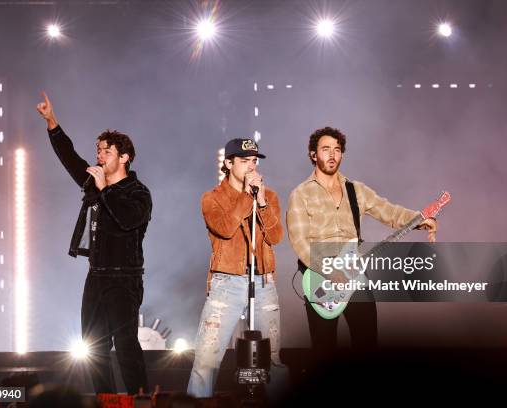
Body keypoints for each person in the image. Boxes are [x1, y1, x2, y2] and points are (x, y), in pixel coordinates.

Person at [286, 126, 437, 359]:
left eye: (337, 149)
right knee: (324, 352)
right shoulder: (301, 194)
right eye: (325, 149)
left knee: (367, 345)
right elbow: (299, 241)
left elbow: (389, 211)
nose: (332, 155)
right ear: (313, 155)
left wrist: (419, 219)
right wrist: (328, 270)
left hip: (355, 276)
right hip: (320, 279)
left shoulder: (356, 190)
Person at [36, 92, 151, 395]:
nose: (100, 156)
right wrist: (52, 122)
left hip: (124, 278)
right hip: (96, 275)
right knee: (94, 346)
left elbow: (128, 220)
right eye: (99, 150)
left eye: (107, 151)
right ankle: (108, 401)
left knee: (125, 343)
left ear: (124, 157)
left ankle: (140, 400)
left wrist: (105, 191)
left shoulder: (138, 192)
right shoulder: (93, 183)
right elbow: (70, 158)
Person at [187, 138, 283, 398]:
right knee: (206, 360)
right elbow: (226, 228)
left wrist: (261, 202)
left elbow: (276, 238)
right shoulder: (212, 198)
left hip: (263, 282)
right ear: (228, 163)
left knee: (272, 359)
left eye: (254, 161)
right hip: (226, 283)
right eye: (244, 161)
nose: (251, 167)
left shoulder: (269, 196)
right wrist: (246, 197)